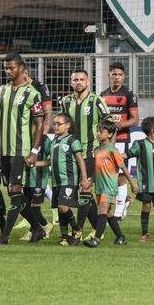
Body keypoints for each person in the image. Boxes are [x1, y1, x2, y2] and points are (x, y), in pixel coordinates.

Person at [0, 54, 51, 245]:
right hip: (5, 150)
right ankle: (38, 228)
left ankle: (4, 236)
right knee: (14, 193)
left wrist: (34, 151)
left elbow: (39, 125)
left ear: (22, 69)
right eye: (6, 68)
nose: (8, 71)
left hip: (21, 151)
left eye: (11, 67)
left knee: (15, 190)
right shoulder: (3, 90)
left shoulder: (32, 93)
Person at [60, 68, 112, 235]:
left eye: (82, 79)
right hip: (71, 154)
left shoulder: (96, 100)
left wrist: (106, 149)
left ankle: (78, 230)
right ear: (71, 82)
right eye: (75, 80)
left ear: (88, 82)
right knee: (80, 192)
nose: (79, 82)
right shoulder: (65, 101)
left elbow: (109, 124)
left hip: (90, 153)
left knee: (85, 189)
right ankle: (98, 228)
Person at [34, 112, 91, 247]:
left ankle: (77, 230)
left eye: (58, 124)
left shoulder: (73, 141)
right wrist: (34, 163)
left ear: (68, 125)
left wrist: (84, 179)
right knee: (60, 209)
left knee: (63, 206)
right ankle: (65, 237)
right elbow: (49, 162)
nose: (55, 127)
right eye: (54, 124)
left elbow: (80, 160)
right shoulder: (54, 141)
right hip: (56, 181)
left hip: (69, 180)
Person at [100, 62, 140, 218]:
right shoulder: (103, 95)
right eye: (113, 74)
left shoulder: (129, 94)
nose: (116, 77)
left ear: (124, 76)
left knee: (121, 175)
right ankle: (124, 201)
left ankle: (118, 211)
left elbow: (135, 120)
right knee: (108, 175)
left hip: (122, 139)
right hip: (106, 142)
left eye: (119, 75)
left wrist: (117, 125)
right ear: (109, 75)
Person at [87, 119, 134, 246]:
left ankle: (96, 239)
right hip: (100, 186)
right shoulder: (96, 150)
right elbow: (97, 170)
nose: (98, 133)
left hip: (109, 186)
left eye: (101, 131)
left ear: (109, 134)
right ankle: (120, 236)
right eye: (97, 131)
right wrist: (90, 180)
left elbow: (123, 167)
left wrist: (133, 184)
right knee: (109, 214)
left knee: (102, 211)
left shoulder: (113, 150)